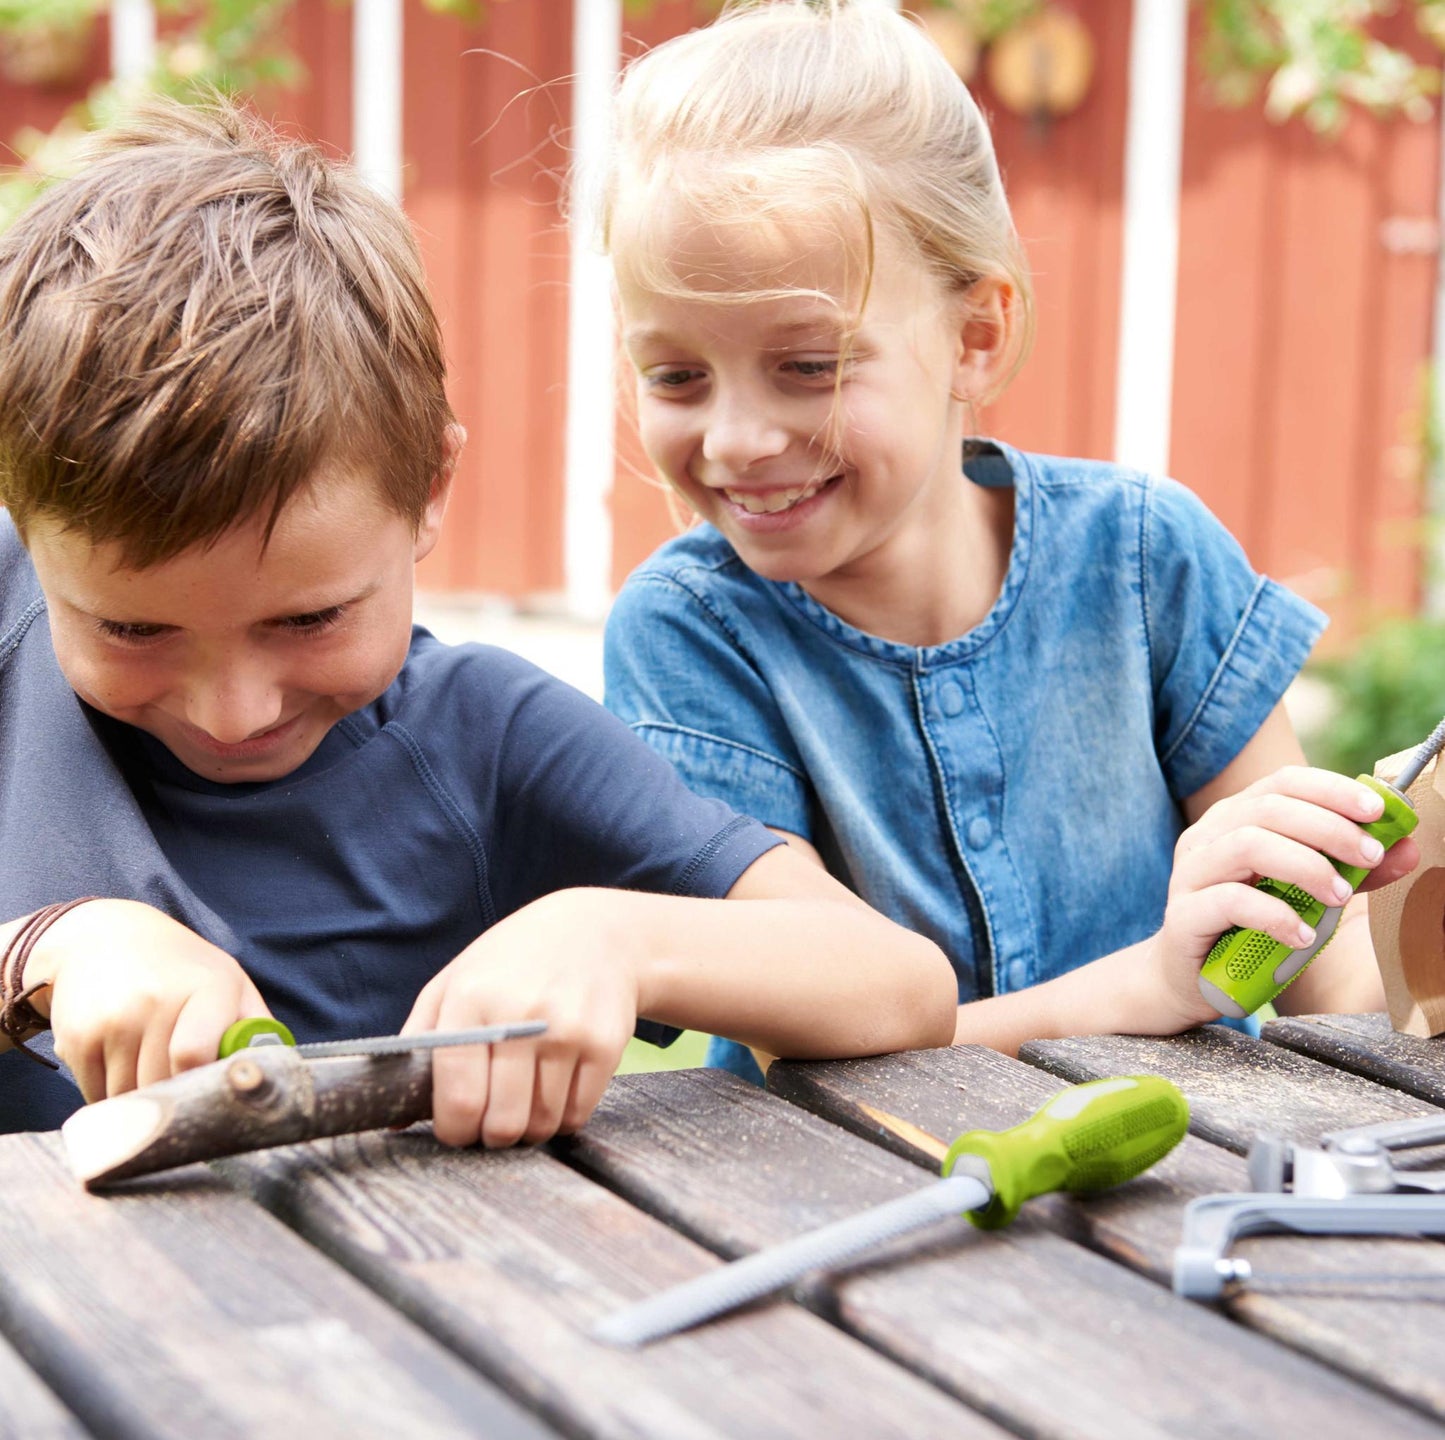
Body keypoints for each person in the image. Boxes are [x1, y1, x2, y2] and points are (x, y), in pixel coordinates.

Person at [0, 95, 957, 1139]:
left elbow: (901, 982)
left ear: (428, 488)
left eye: (308, 619)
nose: (232, 709)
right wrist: (45, 948)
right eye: (134, 630)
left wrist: (617, 938)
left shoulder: (488, 740)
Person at [599, 0, 1418, 1083]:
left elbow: (1328, 977)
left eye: (808, 364)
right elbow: (803, 1042)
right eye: (675, 375)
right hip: (837, 1195)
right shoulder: (687, 637)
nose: (737, 439)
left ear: (974, 336)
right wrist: (1151, 984)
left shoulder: (1143, 560)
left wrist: (1400, 914)